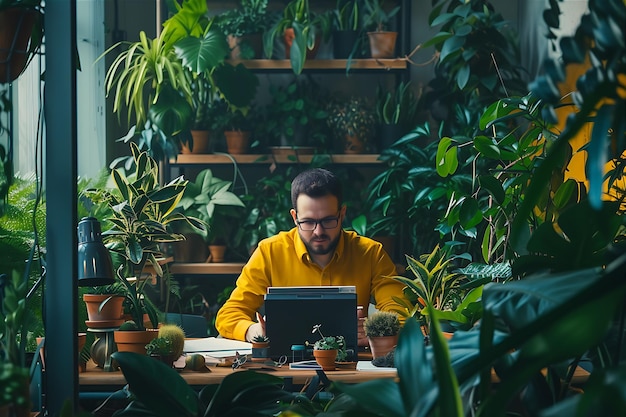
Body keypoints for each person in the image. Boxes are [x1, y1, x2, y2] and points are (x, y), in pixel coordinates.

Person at [215, 168, 406, 342]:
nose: (318, 231)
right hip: (284, 370)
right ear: (294, 217)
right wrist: (254, 331)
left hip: (350, 369)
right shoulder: (270, 252)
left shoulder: (371, 253)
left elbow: (402, 313)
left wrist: (373, 331)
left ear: (342, 214)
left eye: (328, 220)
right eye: (307, 222)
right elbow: (229, 315)